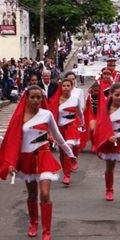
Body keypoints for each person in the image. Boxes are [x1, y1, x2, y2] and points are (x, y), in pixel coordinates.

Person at [0, 85, 76, 239]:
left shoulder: (47, 114)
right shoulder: (19, 117)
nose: (36, 100)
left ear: (42, 99)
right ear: (26, 98)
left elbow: (58, 136)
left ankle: (47, 230)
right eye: (32, 97)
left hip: (44, 156)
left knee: (45, 193)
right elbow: (13, 141)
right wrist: (11, 163)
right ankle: (34, 222)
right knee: (32, 195)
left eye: (38, 97)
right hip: (26, 159)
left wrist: (70, 153)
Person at [54, 79, 84, 186]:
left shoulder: (75, 99)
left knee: (68, 148)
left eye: (68, 85)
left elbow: (80, 113)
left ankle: (67, 175)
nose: (66, 87)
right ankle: (65, 169)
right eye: (64, 85)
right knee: (62, 153)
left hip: (72, 126)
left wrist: (82, 124)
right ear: (61, 87)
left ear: (71, 87)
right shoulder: (56, 100)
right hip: (59, 128)